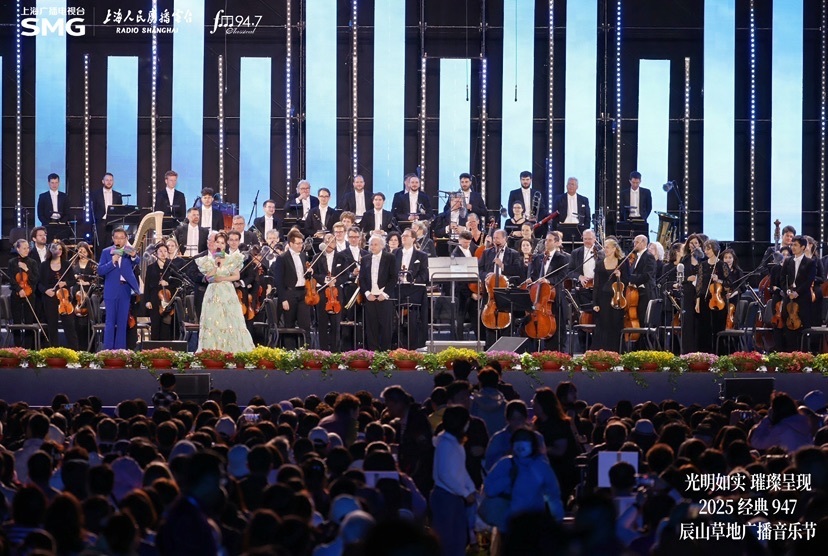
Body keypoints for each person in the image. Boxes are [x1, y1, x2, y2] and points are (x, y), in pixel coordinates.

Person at [483, 427, 564, 535]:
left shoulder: (541, 466)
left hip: (533, 523)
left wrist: (558, 518)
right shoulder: (505, 464)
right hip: (508, 524)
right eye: (518, 440)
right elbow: (489, 489)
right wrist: (508, 478)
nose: (521, 444)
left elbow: (553, 495)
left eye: (525, 439)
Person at [195, 232, 255, 353]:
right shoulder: (206, 260)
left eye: (222, 243)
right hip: (212, 293)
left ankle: (231, 350)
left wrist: (222, 279)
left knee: (230, 320)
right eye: (217, 242)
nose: (220, 245)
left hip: (227, 292)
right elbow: (208, 278)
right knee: (213, 320)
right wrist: (215, 266)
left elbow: (236, 276)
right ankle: (212, 351)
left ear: (225, 244)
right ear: (214, 243)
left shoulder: (232, 259)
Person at [430, 406, 476, 556]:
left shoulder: (453, 443)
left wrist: (470, 488)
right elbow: (445, 474)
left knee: (457, 540)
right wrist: (465, 492)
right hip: (446, 497)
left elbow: (460, 470)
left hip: (453, 497)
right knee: (448, 542)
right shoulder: (446, 444)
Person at [532, 387, 580, 504]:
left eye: (535, 402)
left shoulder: (558, 425)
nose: (533, 405)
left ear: (543, 405)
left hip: (561, 473)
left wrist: (539, 449)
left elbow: (560, 450)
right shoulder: (539, 424)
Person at [98, 228, 142, 349]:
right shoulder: (107, 252)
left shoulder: (128, 250)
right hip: (111, 290)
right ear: (113, 239)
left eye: (122, 238)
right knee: (110, 322)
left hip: (125, 290)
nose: (119, 240)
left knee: (122, 322)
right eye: (116, 237)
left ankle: (120, 351)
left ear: (126, 239)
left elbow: (138, 260)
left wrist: (134, 256)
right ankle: (108, 350)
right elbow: (100, 270)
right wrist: (112, 262)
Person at [272, 228, 313, 349]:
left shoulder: (303, 256)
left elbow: (304, 275)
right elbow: (278, 281)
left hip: (303, 293)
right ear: (290, 243)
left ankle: (306, 352)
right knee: (289, 326)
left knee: (305, 325)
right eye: (298, 243)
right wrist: (283, 299)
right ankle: (290, 352)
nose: (301, 245)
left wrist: (309, 272)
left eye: (301, 243)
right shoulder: (282, 258)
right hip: (289, 294)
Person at [39, 241, 79, 349]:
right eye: (56, 249)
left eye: (60, 249)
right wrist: (46, 291)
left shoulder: (66, 264)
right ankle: (54, 351)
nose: (58, 251)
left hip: (63, 298)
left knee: (69, 325)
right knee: (52, 326)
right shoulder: (44, 265)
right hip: (50, 297)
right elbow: (39, 283)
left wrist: (65, 283)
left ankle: (74, 350)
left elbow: (72, 281)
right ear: (51, 250)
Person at [360, 235, 397, 351]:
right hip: (370, 297)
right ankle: (373, 353)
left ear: (382, 245)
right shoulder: (365, 259)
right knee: (371, 327)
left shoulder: (390, 257)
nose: (372, 247)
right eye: (371, 244)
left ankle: (385, 353)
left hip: (384, 297)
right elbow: (362, 279)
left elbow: (393, 277)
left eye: (375, 244)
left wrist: (385, 294)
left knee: (386, 327)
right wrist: (367, 294)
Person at [592, 238, 629, 351]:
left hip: (617, 298)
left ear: (614, 249)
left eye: (607, 247)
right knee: (603, 325)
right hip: (603, 299)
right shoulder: (599, 263)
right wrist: (595, 303)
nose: (605, 249)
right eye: (604, 247)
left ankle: (616, 352)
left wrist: (620, 276)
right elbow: (596, 285)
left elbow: (627, 280)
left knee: (615, 324)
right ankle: (602, 353)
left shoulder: (622, 262)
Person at [395, 229, 429, 349]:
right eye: (402, 235)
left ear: (413, 238)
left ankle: (414, 344)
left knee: (413, 315)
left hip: (414, 290)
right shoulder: (395, 253)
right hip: (398, 289)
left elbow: (424, 274)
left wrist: (414, 281)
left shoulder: (421, 255)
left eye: (406, 236)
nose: (403, 237)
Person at [694, 240, 727, 353]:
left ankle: (719, 354)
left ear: (715, 249)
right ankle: (705, 355)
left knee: (718, 328)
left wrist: (719, 280)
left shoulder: (722, 265)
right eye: (705, 249)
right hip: (704, 300)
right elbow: (699, 285)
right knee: (704, 328)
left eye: (709, 249)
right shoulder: (703, 265)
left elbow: (729, 283)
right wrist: (697, 301)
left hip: (719, 301)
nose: (706, 251)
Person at [8, 238, 41, 348]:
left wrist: (26, 269)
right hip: (16, 295)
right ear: (18, 249)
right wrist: (19, 289)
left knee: (29, 322)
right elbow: (11, 279)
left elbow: (35, 279)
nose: (27, 250)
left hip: (30, 294)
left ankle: (28, 348)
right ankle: (17, 348)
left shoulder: (32, 262)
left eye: (28, 248)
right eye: (24, 248)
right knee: (16, 322)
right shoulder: (12, 262)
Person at [313, 233, 342, 352]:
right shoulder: (317, 257)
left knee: (336, 324)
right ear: (323, 243)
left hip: (336, 293)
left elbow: (345, 275)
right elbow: (314, 274)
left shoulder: (342, 257)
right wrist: (325, 279)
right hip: (322, 292)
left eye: (332, 241)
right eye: (327, 241)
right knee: (322, 324)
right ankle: (323, 351)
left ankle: (335, 352)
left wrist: (336, 280)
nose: (330, 243)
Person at [144, 243, 179, 341]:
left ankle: (165, 348)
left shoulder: (171, 267)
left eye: (165, 251)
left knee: (165, 328)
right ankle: (154, 348)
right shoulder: (151, 267)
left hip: (167, 300)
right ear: (156, 253)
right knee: (155, 326)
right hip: (154, 299)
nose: (163, 253)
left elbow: (177, 282)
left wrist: (167, 284)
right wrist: (147, 301)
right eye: (160, 251)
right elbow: (147, 286)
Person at [90, 172, 123, 253]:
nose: (109, 182)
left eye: (111, 180)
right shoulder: (95, 194)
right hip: (100, 224)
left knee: (114, 248)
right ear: (103, 181)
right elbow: (92, 210)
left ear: (113, 182)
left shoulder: (118, 195)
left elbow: (119, 211)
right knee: (100, 248)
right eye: (107, 180)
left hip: (113, 224)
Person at [72, 241, 97, 350]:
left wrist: (88, 283)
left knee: (88, 323)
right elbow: (69, 278)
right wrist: (74, 278)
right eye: (80, 251)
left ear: (88, 252)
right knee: (77, 323)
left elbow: (97, 279)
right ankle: (78, 348)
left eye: (84, 251)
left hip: (88, 293)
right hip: (76, 294)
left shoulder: (92, 264)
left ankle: (89, 348)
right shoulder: (73, 264)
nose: (82, 253)